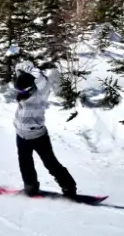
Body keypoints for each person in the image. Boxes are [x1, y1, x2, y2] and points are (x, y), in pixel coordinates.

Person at [13, 60, 76, 197]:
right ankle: (30, 187)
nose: (19, 93)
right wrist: (24, 67)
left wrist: (33, 69)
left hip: (38, 135)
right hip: (21, 135)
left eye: (21, 90)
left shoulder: (41, 92)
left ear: (30, 87)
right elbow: (19, 68)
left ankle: (69, 188)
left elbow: (42, 79)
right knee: (25, 164)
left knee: (50, 163)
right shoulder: (23, 87)